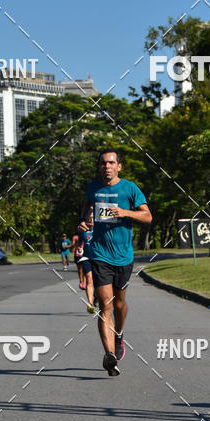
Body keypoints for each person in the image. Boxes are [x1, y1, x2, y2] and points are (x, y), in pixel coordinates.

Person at [80, 150, 152, 376]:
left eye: (111, 163)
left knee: (120, 304)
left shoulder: (130, 188)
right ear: (98, 166)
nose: (107, 166)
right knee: (106, 306)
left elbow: (148, 216)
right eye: (103, 163)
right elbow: (86, 210)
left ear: (119, 166)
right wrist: (82, 222)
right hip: (99, 254)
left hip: (124, 256)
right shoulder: (92, 187)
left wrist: (125, 212)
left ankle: (118, 334)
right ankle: (110, 356)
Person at [75, 209, 96, 313]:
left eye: (93, 218)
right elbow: (80, 241)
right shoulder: (82, 230)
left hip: (99, 259)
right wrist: (79, 247)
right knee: (89, 279)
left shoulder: (100, 229)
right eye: (89, 219)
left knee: (98, 282)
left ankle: (95, 296)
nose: (91, 220)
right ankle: (90, 303)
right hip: (87, 258)